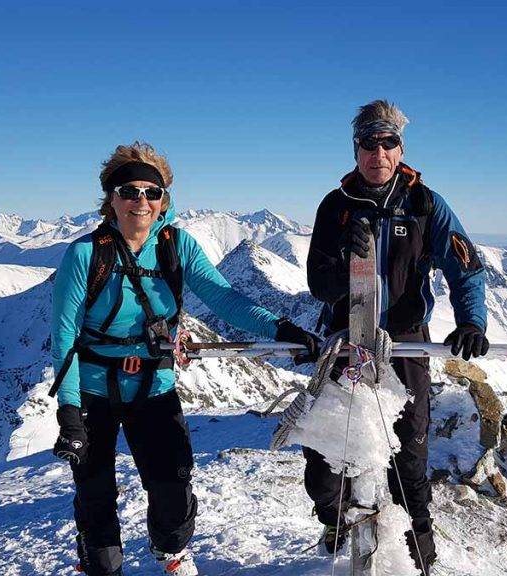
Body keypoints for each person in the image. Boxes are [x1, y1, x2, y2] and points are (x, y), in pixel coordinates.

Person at [50, 142, 319, 576]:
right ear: (111, 198)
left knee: (173, 483)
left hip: (154, 384)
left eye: (151, 192)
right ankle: (98, 559)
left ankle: (171, 551)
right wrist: (68, 408)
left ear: (164, 200)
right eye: (130, 190)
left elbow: (224, 299)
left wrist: (282, 329)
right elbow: (64, 334)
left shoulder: (178, 246)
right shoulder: (85, 254)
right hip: (94, 388)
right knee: (95, 490)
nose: (141, 200)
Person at [304, 100, 488, 574]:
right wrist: (347, 262)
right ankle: (337, 522)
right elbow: (317, 285)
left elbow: (465, 265)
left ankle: (417, 558)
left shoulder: (425, 204)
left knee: (408, 456)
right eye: (369, 143)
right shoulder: (335, 207)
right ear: (356, 149)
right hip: (345, 341)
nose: (378, 153)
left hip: (406, 343)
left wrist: (471, 322)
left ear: (400, 148)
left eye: (388, 143)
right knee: (326, 460)